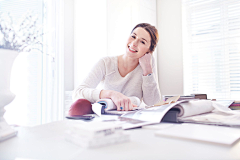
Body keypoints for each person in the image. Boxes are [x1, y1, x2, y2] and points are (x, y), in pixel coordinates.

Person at [70, 23, 161, 115]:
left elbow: (153, 102)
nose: (134, 43)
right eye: (133, 36)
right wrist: (111, 94)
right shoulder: (106, 63)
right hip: (106, 120)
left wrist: (148, 71)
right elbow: (77, 93)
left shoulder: (147, 65)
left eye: (142, 42)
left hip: (132, 120)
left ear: (149, 51)